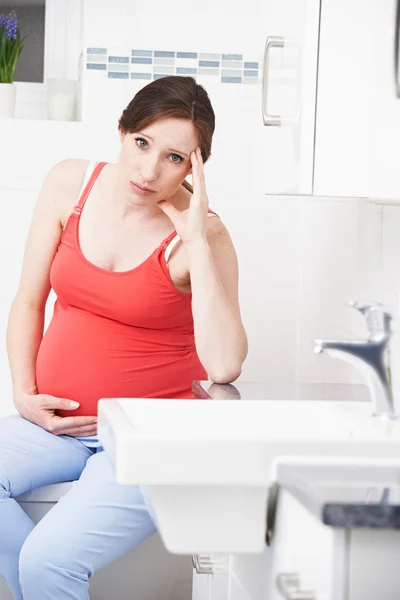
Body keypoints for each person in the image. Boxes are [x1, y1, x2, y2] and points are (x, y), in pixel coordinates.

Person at [0, 75, 248, 600]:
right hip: (58, 421)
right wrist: (24, 395)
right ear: (121, 131)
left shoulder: (206, 236)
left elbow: (224, 365)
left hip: (150, 437)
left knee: (47, 561)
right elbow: (27, 300)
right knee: (39, 565)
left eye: (175, 158)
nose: (150, 169)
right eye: (142, 143)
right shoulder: (70, 184)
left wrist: (196, 240)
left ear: (196, 166)